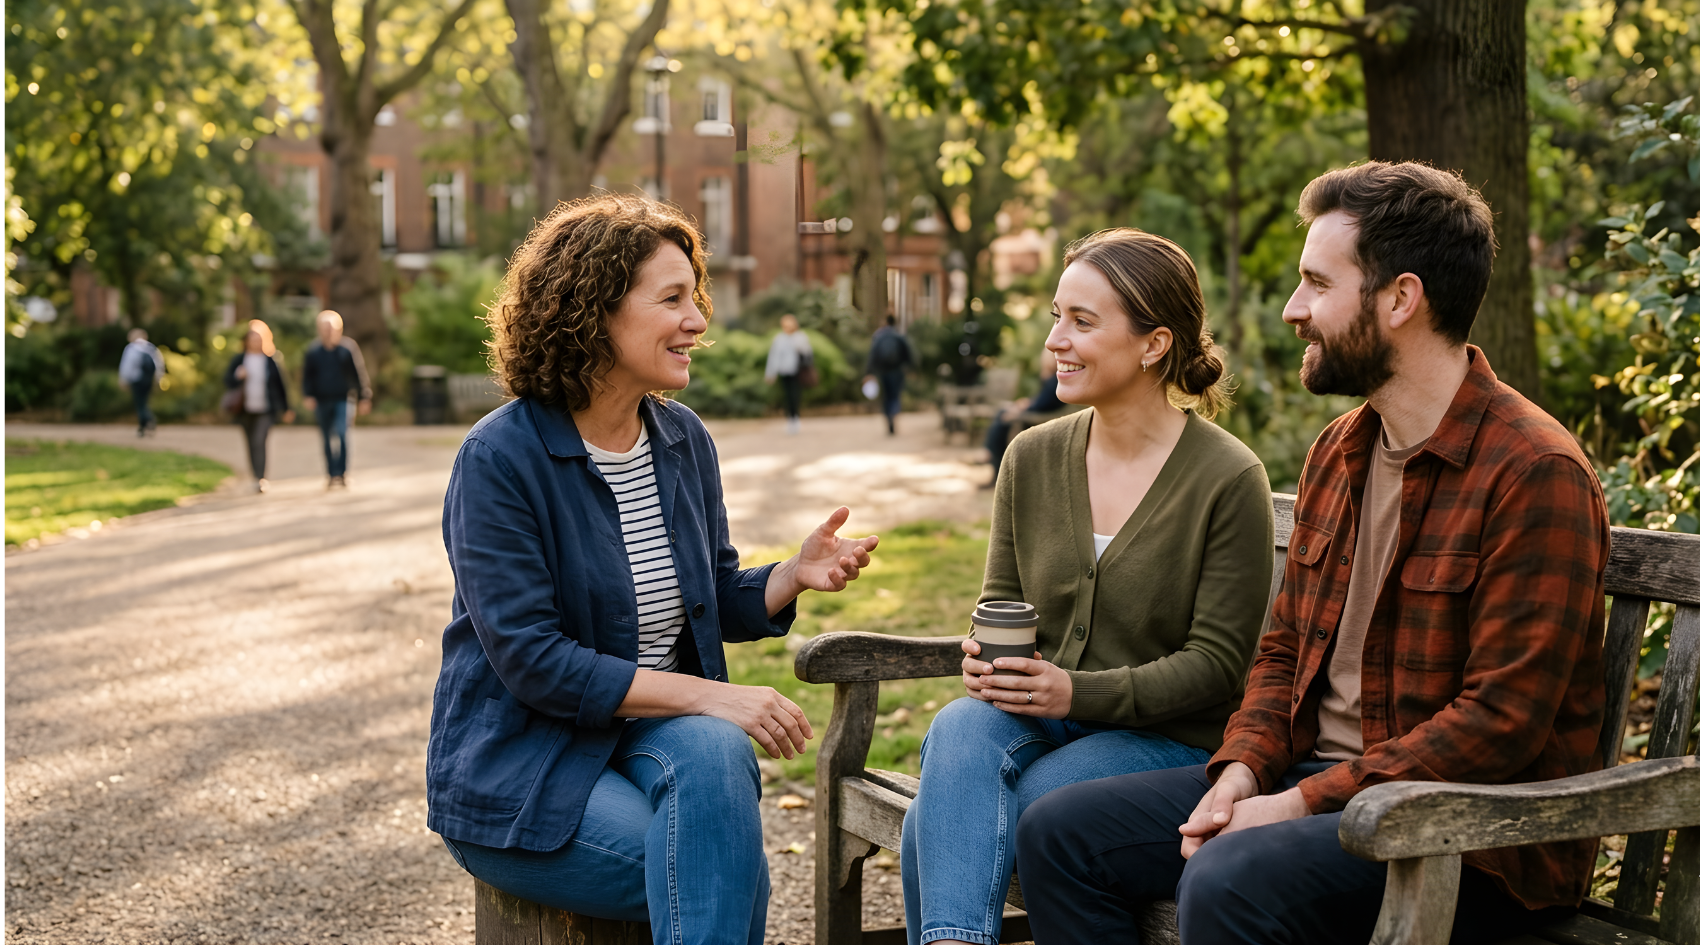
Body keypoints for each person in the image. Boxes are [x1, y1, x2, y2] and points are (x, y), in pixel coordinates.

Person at [1015, 162, 1611, 945]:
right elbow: (1285, 648)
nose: (1294, 310)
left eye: (1316, 284)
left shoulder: (1534, 471)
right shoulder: (1342, 449)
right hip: (1316, 786)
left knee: (1231, 876)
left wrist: (1301, 801)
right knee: (1061, 830)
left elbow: (1499, 723)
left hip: (1466, 836)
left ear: (1401, 299)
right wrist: (1242, 771)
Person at [427, 194, 881, 945]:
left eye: (693, 297)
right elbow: (534, 662)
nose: (698, 321)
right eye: (671, 299)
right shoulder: (499, 458)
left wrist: (792, 576)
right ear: (593, 311)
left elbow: (706, 595)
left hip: (647, 736)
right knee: (716, 864)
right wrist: (712, 694)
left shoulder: (681, 439)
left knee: (715, 756)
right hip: (523, 765)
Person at [900, 228, 1274, 945]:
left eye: (1082, 321)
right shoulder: (1032, 456)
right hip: (1046, 721)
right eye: (1055, 316)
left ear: (1153, 343)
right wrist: (984, 654)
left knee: (949, 814)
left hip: (1169, 742)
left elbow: (1218, 665)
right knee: (958, 725)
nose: (1056, 343)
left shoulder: (1228, 478)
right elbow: (1000, 602)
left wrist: (1076, 692)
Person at [300, 309, 373, 488]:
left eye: (332, 328)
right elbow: (307, 377)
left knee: (342, 433)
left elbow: (359, 374)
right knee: (326, 437)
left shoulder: (348, 349)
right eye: (325, 328)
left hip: (343, 399)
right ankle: (331, 474)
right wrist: (308, 395)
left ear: (339, 329)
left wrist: (364, 397)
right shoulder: (313, 351)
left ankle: (342, 472)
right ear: (319, 330)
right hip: (322, 400)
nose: (329, 332)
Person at [223, 320, 293, 493]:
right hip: (245, 409)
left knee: (259, 440)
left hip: (265, 409)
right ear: (246, 341)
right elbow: (227, 382)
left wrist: (286, 408)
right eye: (252, 339)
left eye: (258, 338)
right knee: (250, 443)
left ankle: (260, 477)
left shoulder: (270, 360)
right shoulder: (240, 359)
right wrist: (238, 376)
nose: (255, 342)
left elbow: (281, 385)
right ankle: (255, 475)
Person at [981, 349, 1063, 487]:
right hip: (1036, 411)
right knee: (1002, 414)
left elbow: (1044, 404)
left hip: (1040, 415)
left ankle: (993, 458)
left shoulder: (1056, 378)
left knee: (1003, 418)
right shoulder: (1051, 378)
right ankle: (991, 454)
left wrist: (1022, 409)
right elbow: (1041, 400)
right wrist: (1025, 404)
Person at [764, 313, 814, 435]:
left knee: (795, 395)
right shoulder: (779, 339)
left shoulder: (800, 337)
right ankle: (790, 419)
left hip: (796, 371)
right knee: (787, 396)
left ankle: (796, 418)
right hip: (784, 371)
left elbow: (807, 353)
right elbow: (774, 357)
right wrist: (770, 373)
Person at [865, 314, 914, 435]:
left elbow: (873, 354)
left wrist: (869, 372)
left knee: (886, 396)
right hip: (897, 370)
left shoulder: (879, 336)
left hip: (883, 371)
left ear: (886, 322)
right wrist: (911, 368)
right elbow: (908, 353)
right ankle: (894, 412)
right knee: (895, 395)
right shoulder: (899, 336)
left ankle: (888, 416)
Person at [117, 327, 165, 437]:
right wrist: (158, 379)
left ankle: (147, 421)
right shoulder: (151, 348)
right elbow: (159, 365)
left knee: (140, 403)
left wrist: (123, 380)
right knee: (145, 401)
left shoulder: (131, 348)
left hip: (136, 380)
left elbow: (127, 366)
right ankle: (145, 425)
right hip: (148, 380)